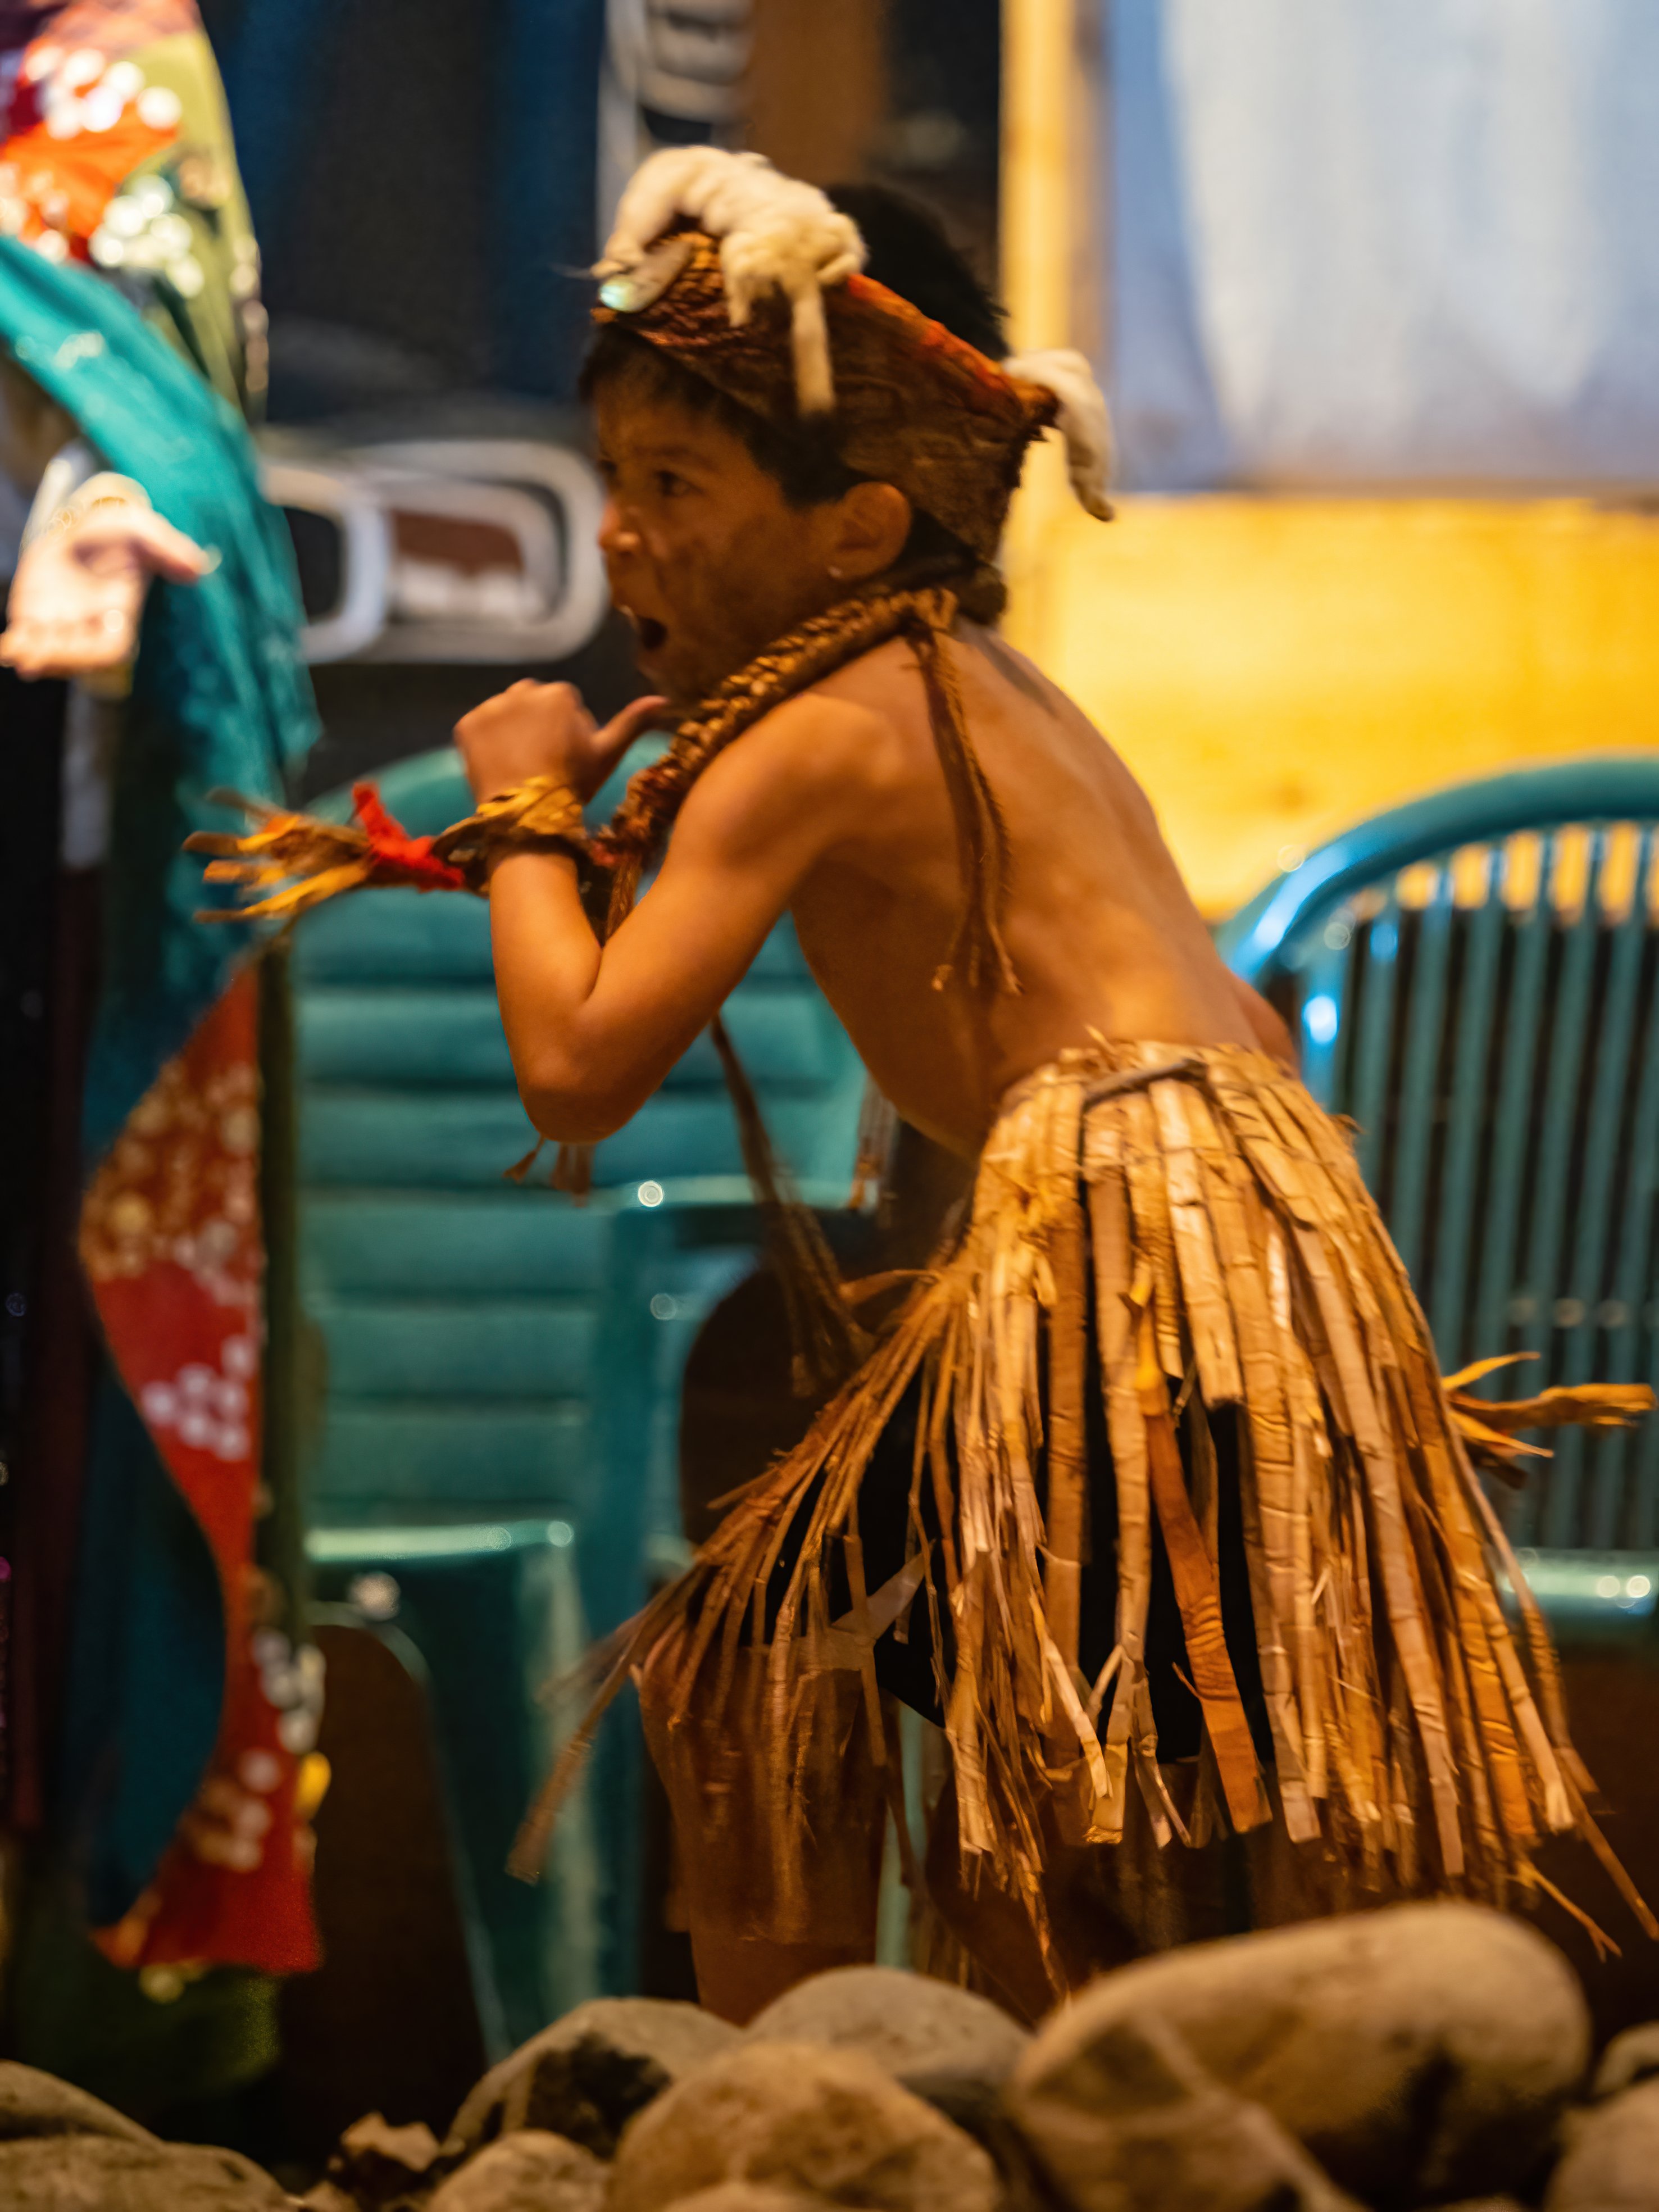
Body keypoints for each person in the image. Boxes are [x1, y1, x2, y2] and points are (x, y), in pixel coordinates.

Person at [198, 149, 1651, 2027]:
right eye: (612, 479)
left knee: (1014, 1736)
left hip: (1136, 1214)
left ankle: (899, 2097)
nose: (621, 536)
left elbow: (574, 1067)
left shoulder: (817, 732)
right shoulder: (985, 690)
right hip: (1240, 1215)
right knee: (818, 1663)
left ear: (858, 527)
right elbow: (1211, 1014)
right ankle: (864, 2089)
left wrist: (528, 803)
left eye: (674, 484)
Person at [0, 0, 320, 2089]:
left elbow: (158, 417)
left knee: (76, 1420)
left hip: (70, 878)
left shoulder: (117, 79)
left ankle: (90, 2018)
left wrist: (89, 496)